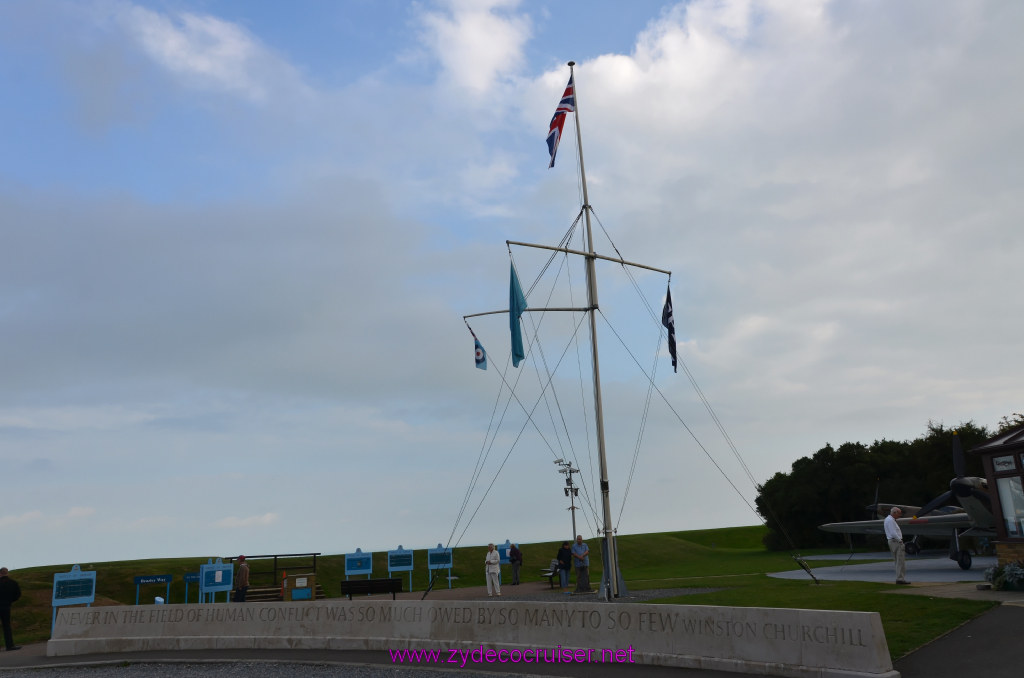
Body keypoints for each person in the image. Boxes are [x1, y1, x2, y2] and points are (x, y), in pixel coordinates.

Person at [884, 507, 910, 585]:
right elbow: (893, 533)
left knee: (898, 561)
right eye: (899, 513)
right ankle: (900, 579)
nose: (900, 515)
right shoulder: (890, 520)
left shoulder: (888, 519)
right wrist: (900, 540)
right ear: (894, 512)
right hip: (896, 542)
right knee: (900, 561)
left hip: (892, 541)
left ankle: (900, 578)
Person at [0, 567, 21, 651]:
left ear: (0, 573)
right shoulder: (13, 583)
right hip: (6, 606)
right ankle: (9, 645)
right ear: (7, 573)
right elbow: (18, 595)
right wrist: (10, 600)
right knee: (6, 626)